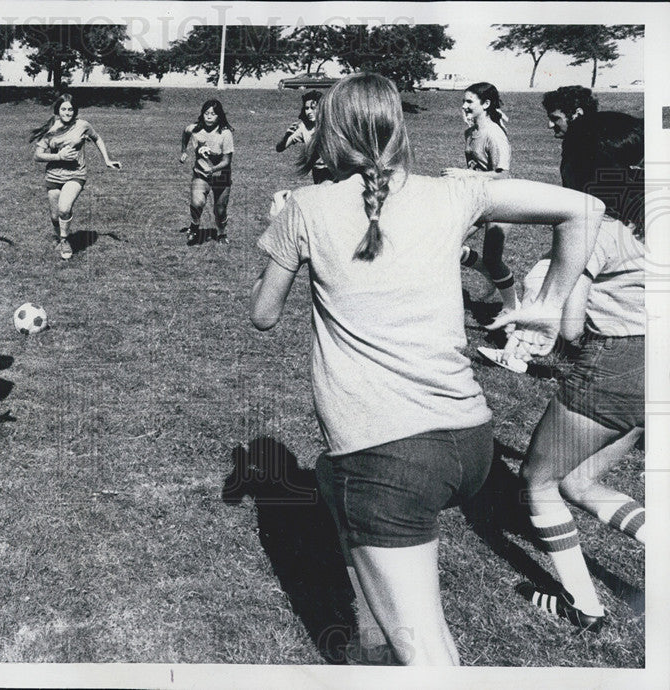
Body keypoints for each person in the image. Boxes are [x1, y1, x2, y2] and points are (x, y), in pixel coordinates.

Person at [250, 73, 603, 665]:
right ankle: (373, 657)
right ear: (397, 125)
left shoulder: (304, 208)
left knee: (429, 656)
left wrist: (285, 224)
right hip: (468, 441)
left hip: (385, 453)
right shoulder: (453, 193)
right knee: (343, 513)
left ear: (332, 128)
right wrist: (547, 308)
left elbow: (263, 315)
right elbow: (584, 210)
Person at [509, 115, 645, 632]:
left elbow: (568, 327)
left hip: (617, 364)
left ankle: (583, 606)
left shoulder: (597, 229)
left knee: (538, 480)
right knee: (581, 480)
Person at [442, 82, 519, 314]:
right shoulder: (470, 131)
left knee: (494, 260)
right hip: (477, 200)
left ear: (485, 104)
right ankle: (485, 272)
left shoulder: (493, 133)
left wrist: (465, 174)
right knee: (447, 244)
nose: (463, 106)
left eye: (469, 102)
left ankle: (513, 308)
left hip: (500, 202)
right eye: (463, 101)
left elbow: (503, 174)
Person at [30, 93, 122, 260]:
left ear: (75, 111)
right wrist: (58, 157)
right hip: (53, 176)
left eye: (70, 109)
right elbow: (37, 156)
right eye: (64, 109)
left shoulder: (82, 125)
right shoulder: (51, 129)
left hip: (76, 174)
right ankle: (60, 237)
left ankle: (65, 241)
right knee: (54, 216)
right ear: (58, 110)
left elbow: (97, 138)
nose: (67, 112)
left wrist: (107, 159)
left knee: (64, 208)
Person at [180, 99, 234, 244]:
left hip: (221, 177)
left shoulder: (225, 134)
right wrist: (184, 151)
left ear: (219, 116)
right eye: (206, 113)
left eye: (213, 114)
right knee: (197, 203)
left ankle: (222, 233)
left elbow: (227, 161)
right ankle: (195, 225)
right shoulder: (195, 129)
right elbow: (185, 133)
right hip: (201, 175)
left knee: (220, 211)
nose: (209, 117)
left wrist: (213, 169)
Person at [275, 90, 332, 184]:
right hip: (318, 172)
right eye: (306, 108)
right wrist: (287, 134)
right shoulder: (303, 127)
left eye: (313, 108)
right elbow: (280, 148)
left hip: (337, 171)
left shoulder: (332, 125)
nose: (309, 112)